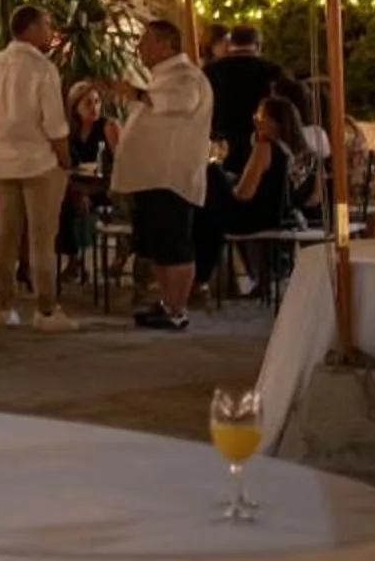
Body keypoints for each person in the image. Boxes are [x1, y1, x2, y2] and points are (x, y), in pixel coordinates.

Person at [0, 5, 76, 330]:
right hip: (40, 162)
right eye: (46, 24)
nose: (50, 30)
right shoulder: (43, 70)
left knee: (5, 235)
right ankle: (46, 310)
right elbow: (55, 126)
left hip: (3, 164)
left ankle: (1, 306)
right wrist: (66, 161)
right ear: (30, 28)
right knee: (43, 238)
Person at [106, 17, 214, 331]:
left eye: (146, 41)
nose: (139, 47)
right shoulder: (160, 77)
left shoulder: (186, 76)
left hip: (170, 176)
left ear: (166, 44)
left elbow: (178, 103)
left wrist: (134, 94)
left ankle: (178, 307)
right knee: (155, 243)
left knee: (174, 243)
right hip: (150, 176)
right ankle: (167, 301)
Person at [198, 93, 309, 290]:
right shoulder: (291, 151)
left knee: (211, 174)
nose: (255, 121)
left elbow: (244, 194)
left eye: (260, 116)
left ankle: (201, 276)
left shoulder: (264, 147)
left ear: (273, 123)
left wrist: (225, 182)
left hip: (253, 217)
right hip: (276, 216)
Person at [201, 27, 298, 156]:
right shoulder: (272, 71)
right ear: (258, 45)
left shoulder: (210, 71)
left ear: (230, 44)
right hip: (261, 142)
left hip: (222, 145)